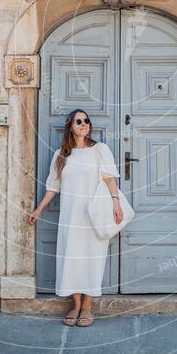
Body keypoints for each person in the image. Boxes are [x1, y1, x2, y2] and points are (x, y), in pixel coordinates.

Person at [29, 109, 123, 327]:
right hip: (70, 217)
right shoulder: (61, 155)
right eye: (78, 121)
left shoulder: (100, 150)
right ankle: (75, 303)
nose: (84, 124)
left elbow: (110, 179)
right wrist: (39, 209)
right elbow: (53, 187)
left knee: (91, 257)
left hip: (92, 216)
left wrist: (116, 203)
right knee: (71, 258)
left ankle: (88, 306)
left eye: (86, 121)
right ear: (70, 126)